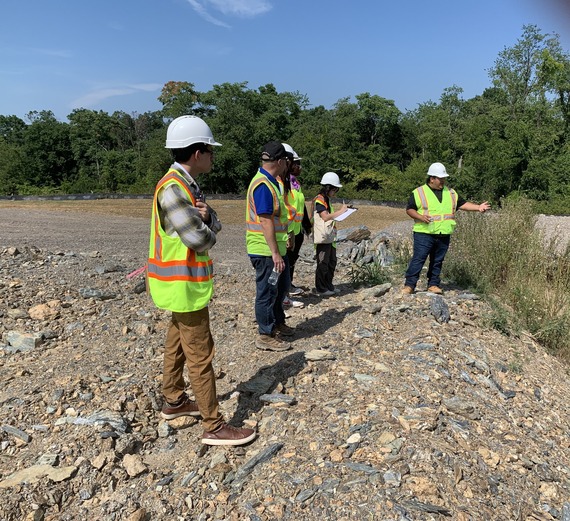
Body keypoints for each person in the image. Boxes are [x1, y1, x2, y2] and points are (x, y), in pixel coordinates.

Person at [147, 115, 256, 446]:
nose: (212, 156)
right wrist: (210, 224)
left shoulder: (185, 185)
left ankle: (174, 400)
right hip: (182, 285)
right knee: (200, 352)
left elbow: (208, 219)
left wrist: (210, 219)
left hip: (180, 285)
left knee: (177, 343)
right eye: (209, 150)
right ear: (197, 152)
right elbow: (200, 239)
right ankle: (214, 424)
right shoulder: (173, 190)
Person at [403, 162, 491, 295]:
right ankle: (409, 285)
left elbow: (462, 204)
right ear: (432, 178)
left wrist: (478, 207)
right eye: (440, 178)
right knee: (419, 259)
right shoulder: (419, 192)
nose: (443, 181)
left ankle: (433, 284)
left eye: (444, 178)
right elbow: (410, 209)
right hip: (424, 233)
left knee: (437, 261)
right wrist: (421, 217)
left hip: (444, 233)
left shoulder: (451, 193)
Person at [246, 141, 294, 351]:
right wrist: (275, 253)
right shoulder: (263, 185)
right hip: (266, 251)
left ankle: (277, 323)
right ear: (280, 161)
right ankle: (265, 334)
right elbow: (265, 220)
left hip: (275, 250)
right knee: (267, 291)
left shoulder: (271, 182)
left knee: (280, 288)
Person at [282, 143, 312, 300]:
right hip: (288, 230)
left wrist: (306, 224)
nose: (300, 167)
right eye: (297, 163)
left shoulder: (294, 183)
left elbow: (301, 207)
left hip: (297, 228)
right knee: (285, 261)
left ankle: (288, 285)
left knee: (292, 260)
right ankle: (284, 293)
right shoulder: (284, 183)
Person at [313, 172, 348, 297]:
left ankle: (328, 285)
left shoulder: (326, 199)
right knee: (323, 262)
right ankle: (321, 288)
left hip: (330, 236)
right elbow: (325, 217)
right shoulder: (319, 200)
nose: (335, 192)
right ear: (329, 187)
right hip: (323, 237)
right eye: (335, 189)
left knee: (332, 261)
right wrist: (341, 211)